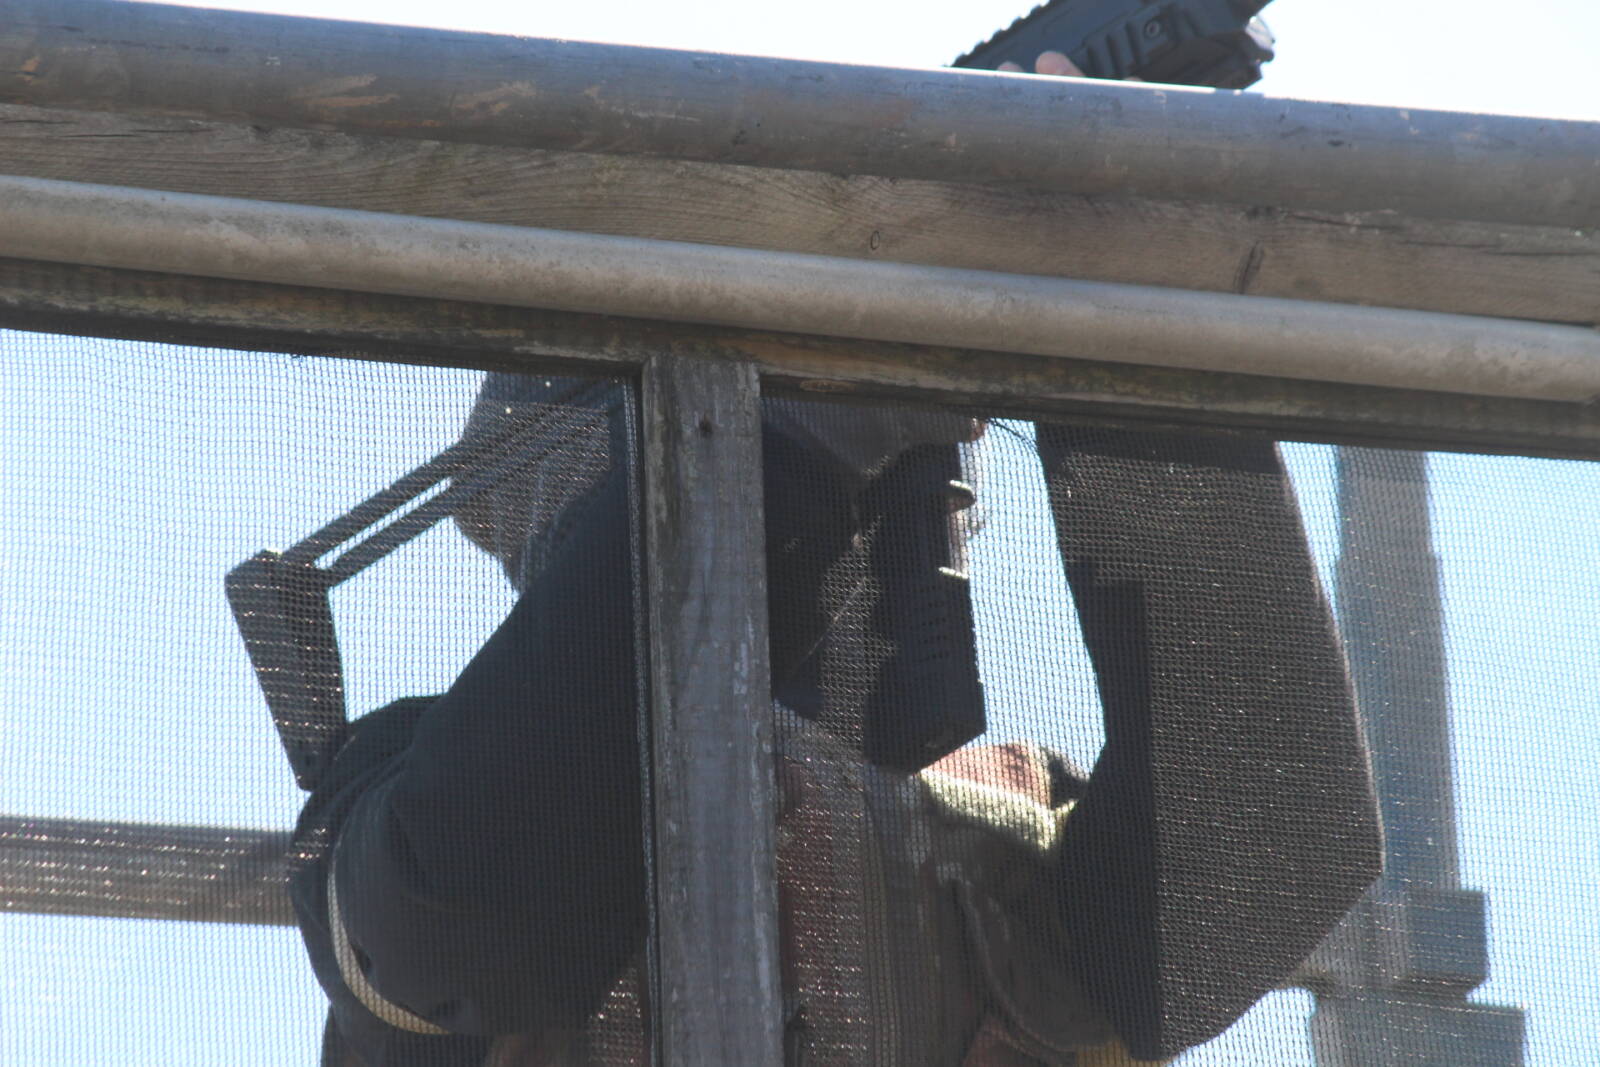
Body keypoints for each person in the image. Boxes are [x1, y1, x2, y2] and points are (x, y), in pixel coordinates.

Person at [287, 54, 1382, 1067]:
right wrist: (797, 442)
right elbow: (459, 917)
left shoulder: (970, 873)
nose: (888, 531)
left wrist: (1093, 274)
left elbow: (1270, 842)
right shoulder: (419, 851)